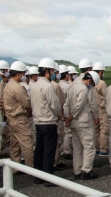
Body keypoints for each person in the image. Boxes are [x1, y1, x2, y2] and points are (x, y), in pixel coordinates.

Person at [31, 58, 62, 187]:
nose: (54, 74)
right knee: (49, 150)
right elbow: (55, 105)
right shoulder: (48, 86)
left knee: (39, 149)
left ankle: (38, 176)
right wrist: (59, 114)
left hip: (38, 121)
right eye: (53, 71)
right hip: (48, 121)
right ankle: (48, 176)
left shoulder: (35, 85)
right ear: (48, 71)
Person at [65, 71, 100, 180]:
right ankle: (86, 171)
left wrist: (68, 117)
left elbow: (66, 105)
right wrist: (72, 115)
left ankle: (77, 171)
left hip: (73, 124)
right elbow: (80, 104)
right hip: (83, 122)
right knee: (89, 147)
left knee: (77, 148)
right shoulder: (84, 89)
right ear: (89, 81)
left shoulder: (72, 88)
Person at [4, 61, 34, 172]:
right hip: (20, 119)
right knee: (27, 144)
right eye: (23, 74)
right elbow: (26, 104)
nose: (24, 76)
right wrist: (30, 111)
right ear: (18, 74)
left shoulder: (8, 85)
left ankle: (15, 168)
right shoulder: (18, 88)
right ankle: (30, 169)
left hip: (11, 119)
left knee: (14, 144)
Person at [50, 63, 66, 171]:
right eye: (56, 73)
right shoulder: (55, 86)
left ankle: (54, 161)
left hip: (45, 117)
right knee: (57, 139)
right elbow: (60, 102)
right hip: (56, 116)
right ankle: (55, 161)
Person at [93, 62, 109, 157]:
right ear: (99, 72)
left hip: (95, 109)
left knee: (96, 130)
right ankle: (103, 149)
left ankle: (97, 148)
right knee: (104, 129)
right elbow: (106, 96)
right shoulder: (101, 83)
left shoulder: (91, 82)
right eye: (102, 72)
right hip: (102, 109)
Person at [58, 65, 73, 160]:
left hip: (60, 110)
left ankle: (62, 149)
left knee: (62, 132)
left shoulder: (57, 84)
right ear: (66, 75)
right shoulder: (68, 86)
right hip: (66, 109)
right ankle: (66, 151)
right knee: (68, 132)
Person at [0, 60, 10, 158]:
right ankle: (1, 151)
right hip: (1, 111)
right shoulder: (1, 82)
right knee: (2, 131)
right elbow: (2, 99)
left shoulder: (3, 82)